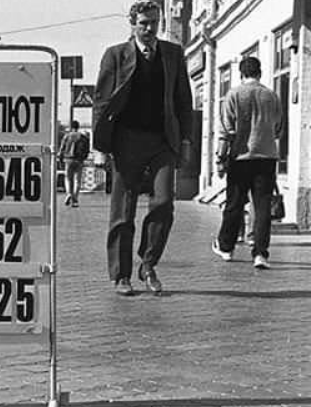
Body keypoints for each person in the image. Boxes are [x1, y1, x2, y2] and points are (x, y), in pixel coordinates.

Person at [92, 0, 193, 295]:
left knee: (164, 203)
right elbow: (102, 102)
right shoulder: (115, 55)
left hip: (163, 140)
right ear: (132, 23)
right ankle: (121, 275)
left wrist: (186, 140)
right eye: (144, 23)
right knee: (123, 210)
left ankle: (148, 264)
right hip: (127, 140)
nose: (150, 29)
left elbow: (183, 100)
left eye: (154, 22)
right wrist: (100, 146)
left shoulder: (173, 54)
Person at [211, 56, 283, 270]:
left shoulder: (234, 94)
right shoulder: (272, 96)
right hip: (266, 157)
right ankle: (260, 253)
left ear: (241, 74)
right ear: (260, 73)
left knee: (234, 204)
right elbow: (278, 128)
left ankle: (226, 247)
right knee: (262, 207)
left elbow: (225, 131)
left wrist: (221, 159)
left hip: (241, 158)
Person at [58, 120, 89, 208]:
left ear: (71, 127)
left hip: (68, 160)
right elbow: (87, 150)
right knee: (77, 180)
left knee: (68, 179)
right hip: (79, 161)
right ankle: (75, 198)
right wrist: (83, 158)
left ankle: (69, 194)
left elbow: (61, 149)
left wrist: (61, 159)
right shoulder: (83, 137)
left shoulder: (67, 136)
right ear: (78, 127)